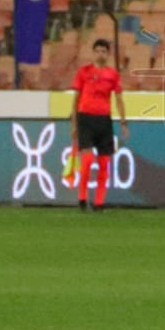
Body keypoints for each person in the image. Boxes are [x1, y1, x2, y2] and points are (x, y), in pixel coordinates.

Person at [69, 38, 128, 211]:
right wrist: (74, 124)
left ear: (108, 54)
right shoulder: (83, 72)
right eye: (98, 51)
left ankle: (99, 202)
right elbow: (76, 100)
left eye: (104, 51)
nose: (100, 54)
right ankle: (82, 198)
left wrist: (123, 122)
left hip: (104, 120)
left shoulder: (112, 75)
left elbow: (119, 99)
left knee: (104, 163)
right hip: (86, 119)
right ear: (93, 53)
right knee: (87, 160)